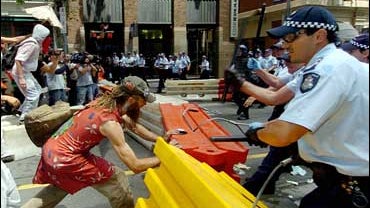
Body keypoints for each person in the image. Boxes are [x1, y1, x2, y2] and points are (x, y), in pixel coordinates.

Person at [225, 6, 369, 208]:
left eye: (291, 37)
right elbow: (275, 97)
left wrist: (259, 133)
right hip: (343, 178)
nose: (285, 45)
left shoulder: (329, 68)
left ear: (319, 36)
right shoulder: (324, 65)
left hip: (354, 181)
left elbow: (285, 132)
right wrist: (241, 84)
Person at [22, 76, 176, 208]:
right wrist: (166, 158)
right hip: (66, 158)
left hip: (52, 150)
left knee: (61, 185)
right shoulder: (110, 123)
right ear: (131, 99)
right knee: (117, 177)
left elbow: (134, 126)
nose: (145, 105)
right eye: (143, 101)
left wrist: (160, 138)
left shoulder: (105, 103)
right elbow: (135, 165)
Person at [10, 24, 50, 123]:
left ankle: (21, 111)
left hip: (26, 72)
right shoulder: (31, 44)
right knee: (33, 95)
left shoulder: (34, 43)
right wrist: (21, 78)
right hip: (21, 72)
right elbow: (19, 60)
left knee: (38, 90)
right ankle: (25, 118)